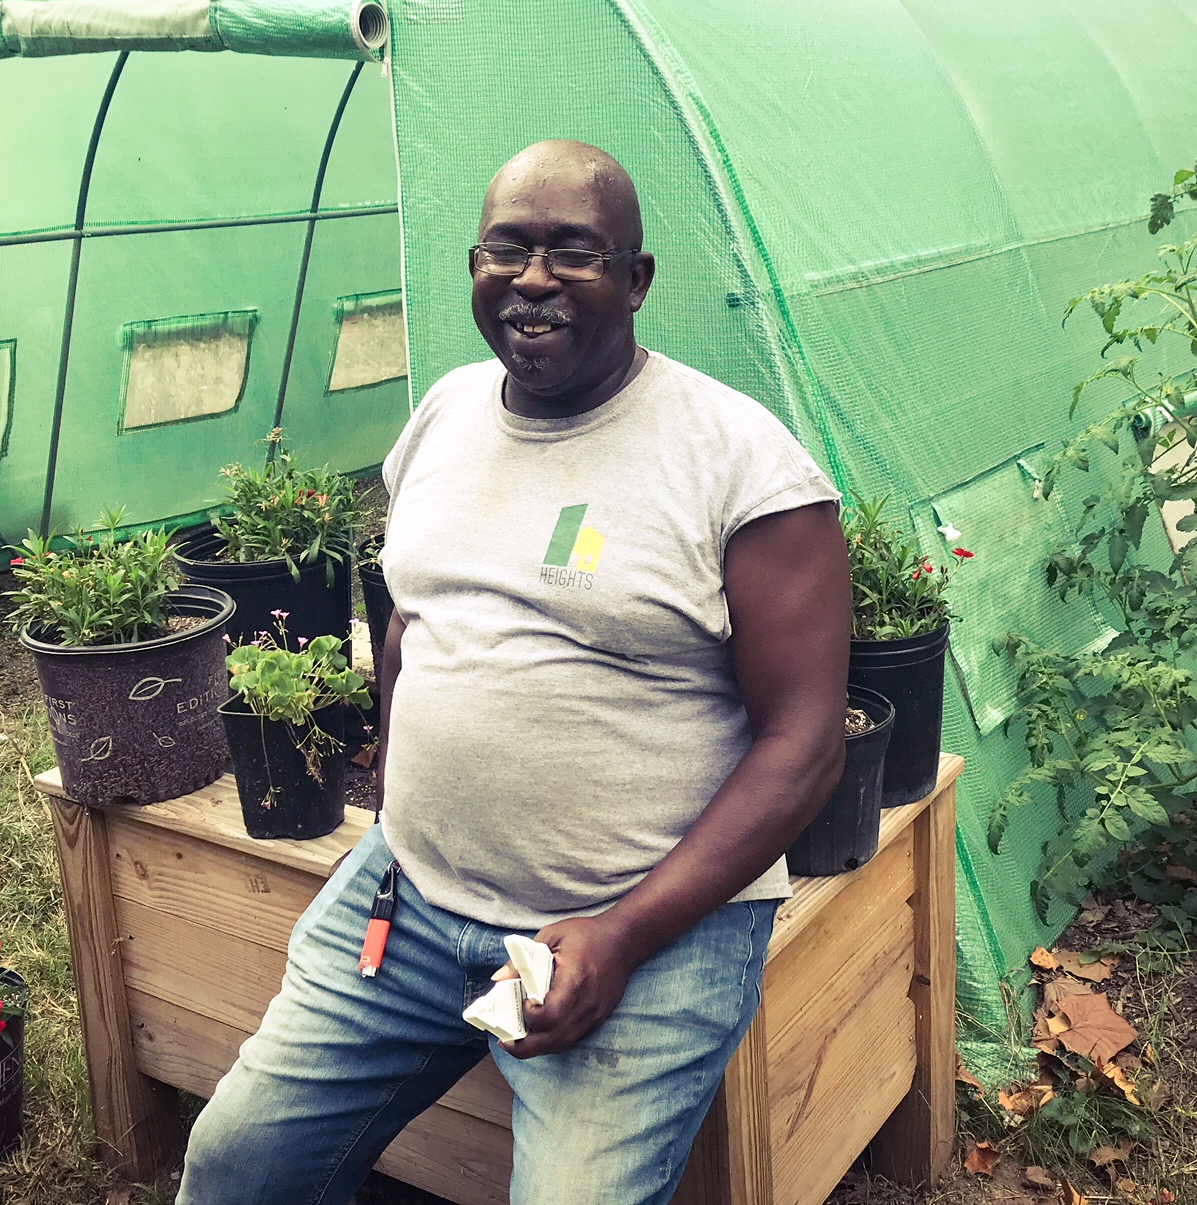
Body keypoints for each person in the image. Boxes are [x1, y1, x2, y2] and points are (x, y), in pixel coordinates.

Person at [177, 139, 851, 1205]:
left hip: (643, 936)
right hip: (412, 901)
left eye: (572, 254)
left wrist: (624, 935)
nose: (532, 279)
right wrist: (407, 797)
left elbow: (808, 745)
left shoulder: (740, 465)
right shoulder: (445, 413)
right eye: (508, 249)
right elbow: (409, 622)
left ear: (635, 281)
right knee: (237, 1170)